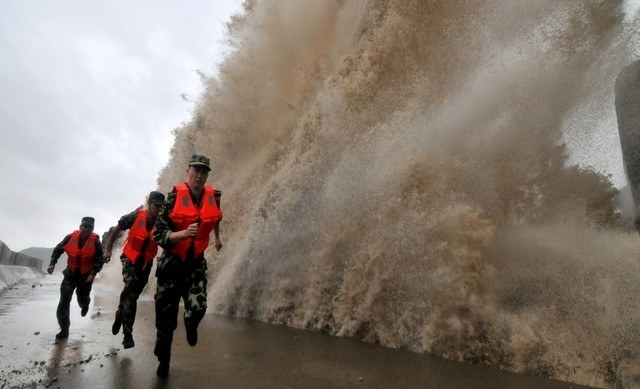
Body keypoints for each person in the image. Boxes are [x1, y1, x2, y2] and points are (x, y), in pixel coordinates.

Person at [153, 154, 223, 377]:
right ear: (188, 171)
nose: (200, 175)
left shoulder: (214, 196)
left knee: (199, 307)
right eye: (196, 170)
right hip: (171, 266)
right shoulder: (172, 199)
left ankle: (191, 325)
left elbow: (214, 219)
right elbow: (159, 234)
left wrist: (217, 238)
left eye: (204, 172)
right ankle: (164, 360)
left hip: (195, 263)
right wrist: (182, 234)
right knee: (165, 324)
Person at [104, 191, 165, 349]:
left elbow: (167, 239)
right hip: (129, 260)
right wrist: (108, 250)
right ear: (149, 203)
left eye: (160, 206)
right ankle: (128, 335)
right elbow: (117, 229)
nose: (158, 209)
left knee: (132, 295)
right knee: (130, 291)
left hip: (145, 265)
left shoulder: (162, 223)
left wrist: (164, 255)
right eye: (155, 205)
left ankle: (120, 314)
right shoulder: (134, 217)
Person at [47, 216, 104, 340]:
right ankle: (64, 329)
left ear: (93, 229)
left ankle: (85, 305)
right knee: (64, 302)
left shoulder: (95, 242)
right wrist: (52, 263)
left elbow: (100, 259)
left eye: (90, 227)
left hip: (86, 277)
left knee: (82, 299)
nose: (87, 229)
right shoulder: (69, 237)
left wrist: (92, 274)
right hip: (70, 275)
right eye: (85, 226)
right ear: (80, 227)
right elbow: (58, 249)